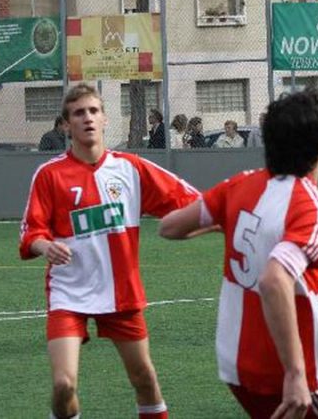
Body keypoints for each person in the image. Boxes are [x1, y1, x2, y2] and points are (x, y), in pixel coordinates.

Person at [158, 89, 318, 419]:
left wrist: (226, 224)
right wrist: (295, 373)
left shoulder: (240, 186)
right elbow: (275, 280)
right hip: (300, 376)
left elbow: (170, 227)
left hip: (236, 366)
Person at [18, 83, 201, 419]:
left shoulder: (130, 168)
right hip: (68, 294)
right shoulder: (49, 175)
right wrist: (45, 246)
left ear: (104, 119)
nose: (87, 118)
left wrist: (224, 217)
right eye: (78, 113)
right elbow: (31, 231)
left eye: (93, 111)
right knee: (63, 386)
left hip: (121, 294)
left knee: (144, 379)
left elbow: (188, 201)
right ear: (66, 124)